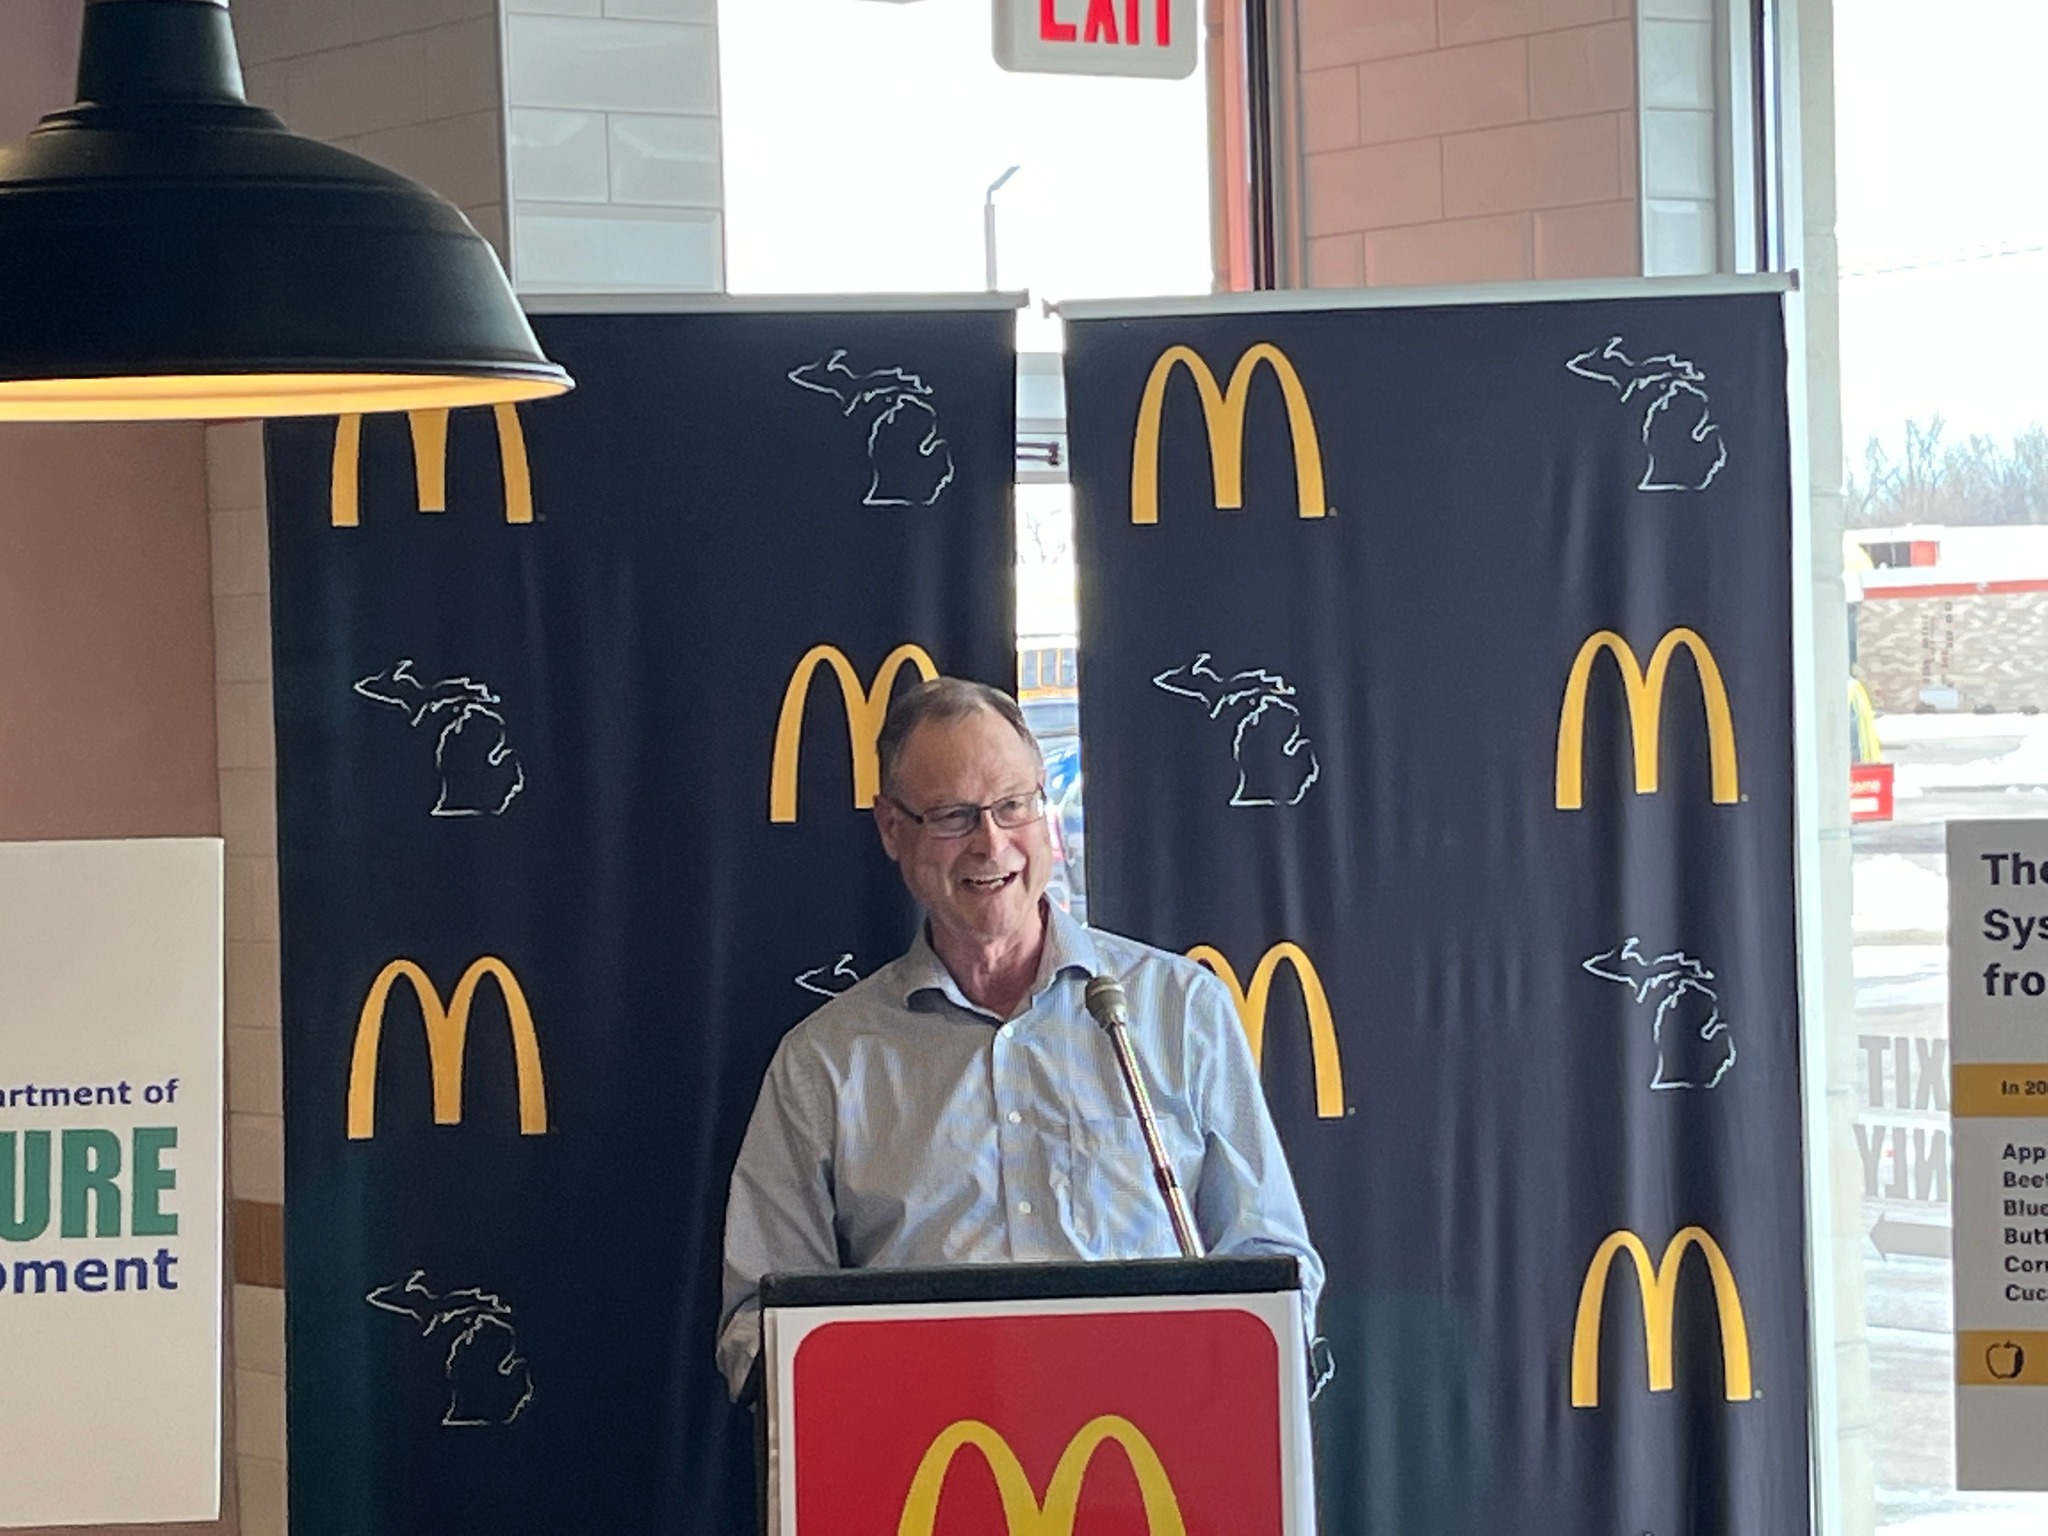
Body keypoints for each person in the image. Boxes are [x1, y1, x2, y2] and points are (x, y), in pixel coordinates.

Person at [715, 676, 1323, 1400]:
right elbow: (759, 1326)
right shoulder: (823, 1063)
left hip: (1151, 1439)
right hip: (928, 1451)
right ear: (891, 829)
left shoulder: (1180, 1010)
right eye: (954, 816)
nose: (991, 842)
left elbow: (1274, 1265)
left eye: (1014, 805)